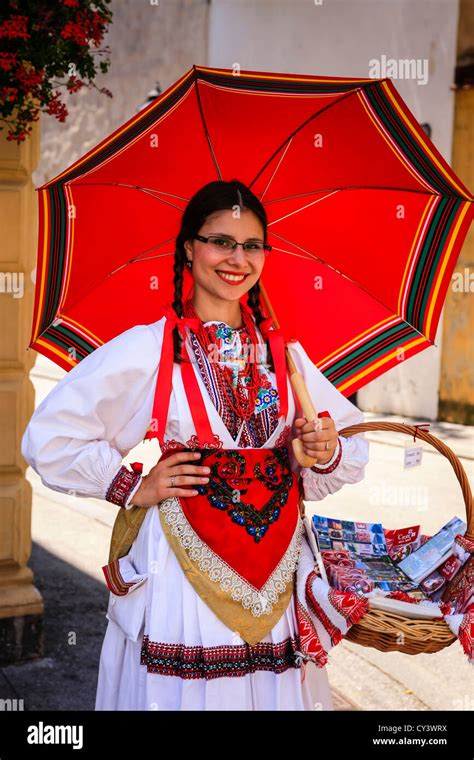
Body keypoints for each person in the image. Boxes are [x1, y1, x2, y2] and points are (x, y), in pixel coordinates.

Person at [21, 179, 369, 711]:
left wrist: (320, 448)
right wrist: (134, 486)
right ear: (188, 247)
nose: (238, 258)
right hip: (181, 578)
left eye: (252, 245)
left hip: (272, 578)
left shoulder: (286, 357)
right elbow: (49, 437)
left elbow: (349, 445)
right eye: (220, 241)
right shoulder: (150, 348)